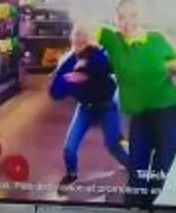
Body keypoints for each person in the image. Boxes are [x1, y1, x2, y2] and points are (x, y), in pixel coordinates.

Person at [105, 0, 176, 192]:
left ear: (141, 16)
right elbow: (78, 17)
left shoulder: (157, 39)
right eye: (122, 17)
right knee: (136, 176)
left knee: (157, 176)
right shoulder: (112, 40)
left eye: (133, 15)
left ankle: (148, 209)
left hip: (170, 114)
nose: (128, 21)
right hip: (140, 118)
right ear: (116, 20)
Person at [46, 27, 122, 182]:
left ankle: (134, 168)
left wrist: (87, 74)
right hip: (85, 109)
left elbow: (108, 71)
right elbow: (55, 93)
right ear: (72, 41)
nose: (79, 44)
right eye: (76, 41)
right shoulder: (69, 61)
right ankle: (72, 174)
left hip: (106, 107)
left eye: (83, 41)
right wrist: (67, 79)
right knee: (69, 148)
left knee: (113, 145)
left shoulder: (100, 56)